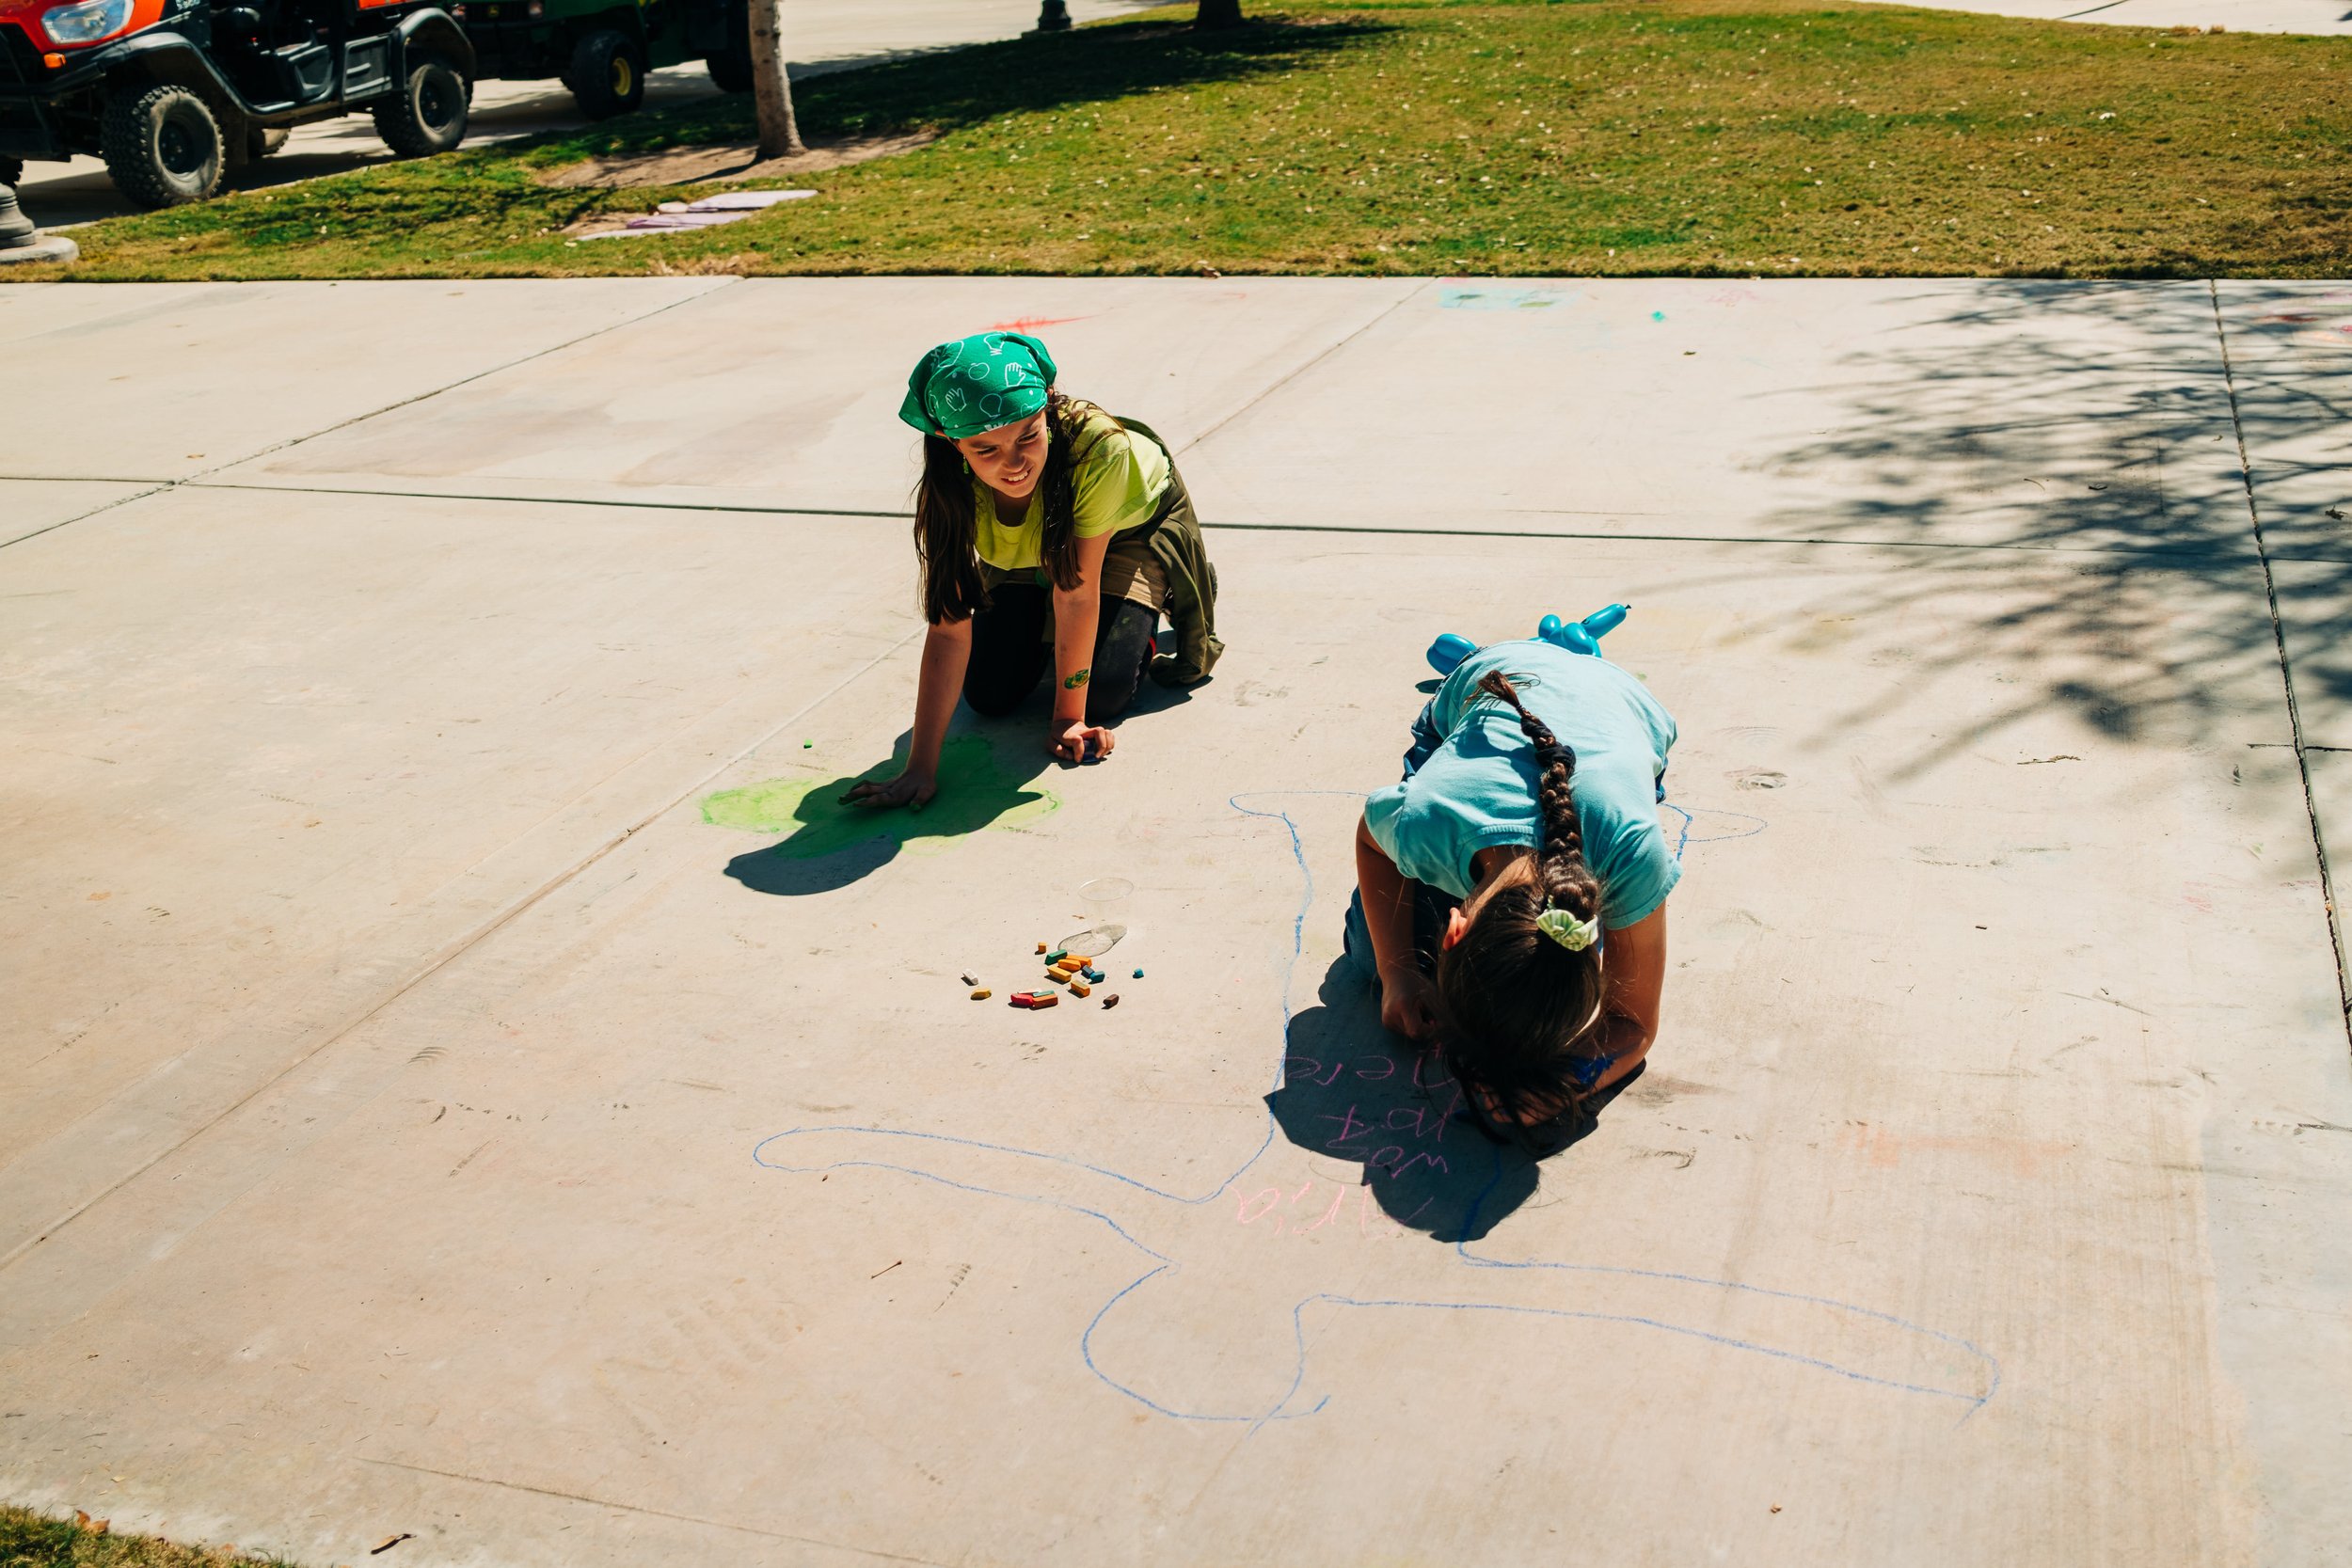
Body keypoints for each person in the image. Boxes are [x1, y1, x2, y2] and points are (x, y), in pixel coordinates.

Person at [847, 330, 1221, 811]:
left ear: (1046, 409)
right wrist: (919, 767)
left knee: (1103, 693)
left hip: (1126, 530)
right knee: (988, 695)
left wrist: (1068, 719)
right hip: (1031, 544)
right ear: (951, 443)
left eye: (1029, 435)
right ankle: (1048, 616)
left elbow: (1076, 593)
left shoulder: (1101, 448)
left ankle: (1161, 591)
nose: (1015, 464)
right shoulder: (947, 483)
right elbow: (948, 628)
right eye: (986, 450)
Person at [1347, 639, 1677, 1144]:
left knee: (1389, 955)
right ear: (1454, 931)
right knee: (1374, 956)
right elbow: (1371, 844)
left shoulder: (1631, 853)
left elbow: (1632, 1023)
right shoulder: (1425, 817)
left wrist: (1555, 1089)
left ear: (1455, 930)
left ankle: (1562, 651)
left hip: (1613, 703)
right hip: (1492, 681)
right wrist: (1397, 976)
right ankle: (1520, 650)